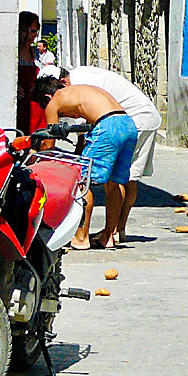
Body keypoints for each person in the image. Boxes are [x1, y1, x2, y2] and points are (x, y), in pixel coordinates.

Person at [54, 66, 162, 244]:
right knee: (126, 177)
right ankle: (115, 232)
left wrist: (79, 163)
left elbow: (85, 127)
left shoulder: (75, 86)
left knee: (118, 179)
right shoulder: (80, 75)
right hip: (138, 117)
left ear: (62, 83)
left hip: (135, 119)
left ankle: (108, 233)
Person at [32, 76, 139, 250]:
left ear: (46, 97)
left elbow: (48, 143)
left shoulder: (54, 101)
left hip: (107, 126)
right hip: (128, 125)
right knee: (114, 183)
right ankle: (108, 236)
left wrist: (35, 158)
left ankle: (81, 237)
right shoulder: (81, 90)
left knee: (82, 181)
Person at [17, 11, 46, 134]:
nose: (29, 36)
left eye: (33, 31)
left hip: (34, 104)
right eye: (25, 31)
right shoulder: (13, 52)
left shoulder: (36, 53)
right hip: (19, 105)